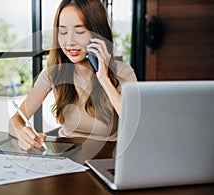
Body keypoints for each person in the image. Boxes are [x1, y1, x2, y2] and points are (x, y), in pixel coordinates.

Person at [8, 0, 137, 150]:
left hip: (108, 156)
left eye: (80, 32)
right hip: (67, 155)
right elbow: (14, 121)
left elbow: (136, 123)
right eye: (63, 32)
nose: (69, 42)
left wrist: (104, 78)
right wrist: (23, 133)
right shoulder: (54, 72)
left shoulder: (123, 72)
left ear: (97, 33)